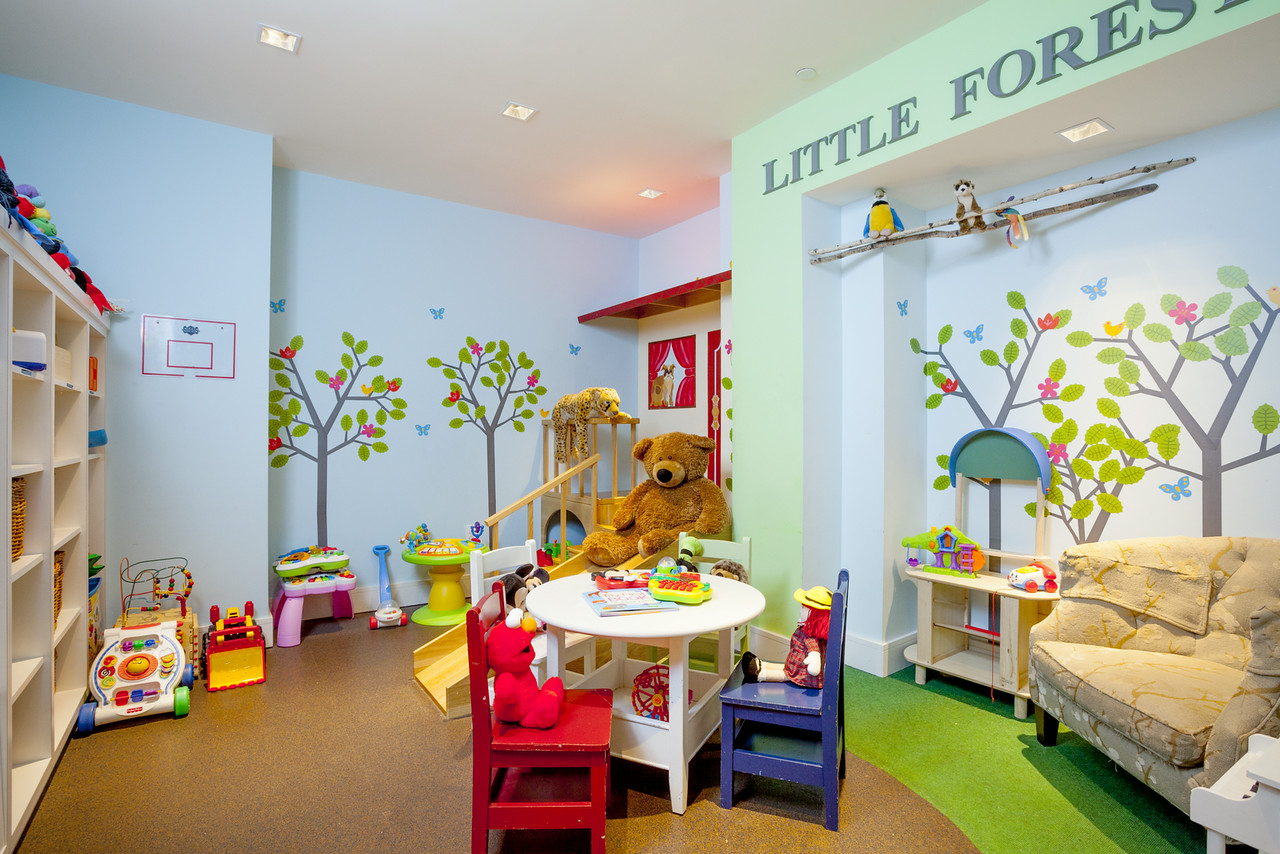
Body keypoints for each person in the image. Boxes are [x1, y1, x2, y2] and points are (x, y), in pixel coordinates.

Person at [741, 585, 832, 689]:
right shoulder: (807, 630)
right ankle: (763, 664)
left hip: (803, 675)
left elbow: (814, 652)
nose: (800, 610)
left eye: (803, 607)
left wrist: (814, 662)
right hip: (794, 666)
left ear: (815, 614)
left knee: (785, 675)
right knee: (787, 669)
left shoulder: (811, 636)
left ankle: (760, 674)